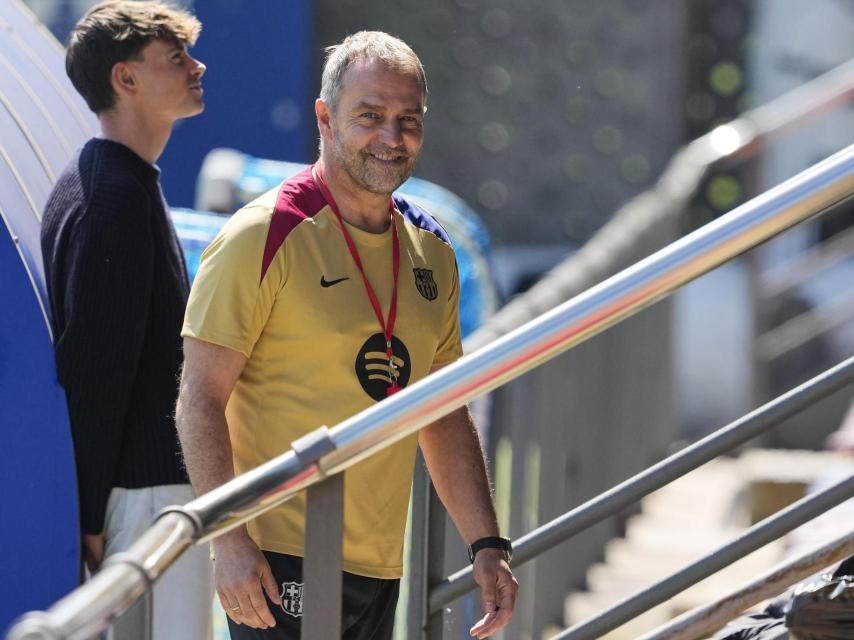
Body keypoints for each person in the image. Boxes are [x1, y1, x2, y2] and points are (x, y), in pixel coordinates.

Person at [176, 30, 518, 639]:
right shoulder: (263, 234)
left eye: (408, 119)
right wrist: (227, 542)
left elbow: (441, 413)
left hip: (381, 563)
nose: (392, 137)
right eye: (370, 116)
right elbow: (200, 399)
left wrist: (486, 542)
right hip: (278, 556)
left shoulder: (433, 250)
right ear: (325, 118)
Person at [40, 2, 212, 637]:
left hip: (144, 495)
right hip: (140, 502)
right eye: (175, 59)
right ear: (126, 78)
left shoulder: (121, 181)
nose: (198, 67)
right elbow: (92, 374)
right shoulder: (110, 198)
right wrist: (88, 519)